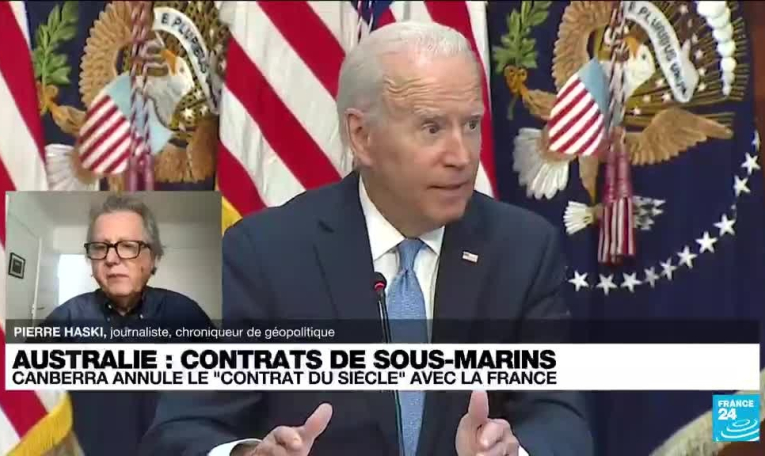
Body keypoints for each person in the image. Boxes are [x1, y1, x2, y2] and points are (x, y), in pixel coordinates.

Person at [141, 22, 592, 456]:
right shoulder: (265, 255)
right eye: (432, 128)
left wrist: (514, 452)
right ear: (362, 136)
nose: (461, 156)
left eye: (471, 124)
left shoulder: (521, 250)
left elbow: (560, 419)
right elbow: (181, 430)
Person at [40, 193, 214, 456]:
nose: (111, 259)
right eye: (100, 247)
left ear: (153, 258)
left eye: (128, 246)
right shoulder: (64, 320)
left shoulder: (187, 315)